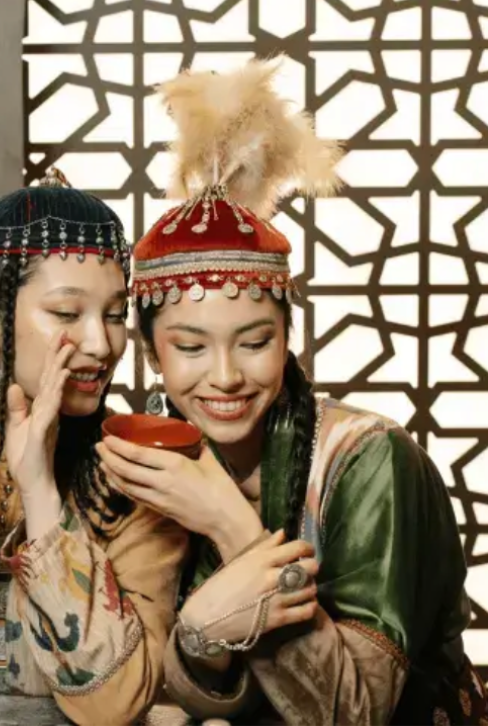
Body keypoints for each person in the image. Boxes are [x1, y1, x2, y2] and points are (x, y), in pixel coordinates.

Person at [98, 58, 483, 724]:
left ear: (288, 337)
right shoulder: (147, 461)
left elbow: (357, 711)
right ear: (151, 351)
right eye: (191, 347)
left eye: (254, 342)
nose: (225, 375)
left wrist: (230, 524)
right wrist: (199, 640)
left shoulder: (369, 459)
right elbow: (147, 683)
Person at [0, 168, 188, 725]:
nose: (101, 344)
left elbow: (117, 704)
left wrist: (42, 493)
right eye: (67, 313)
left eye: (115, 315)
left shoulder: (140, 473)